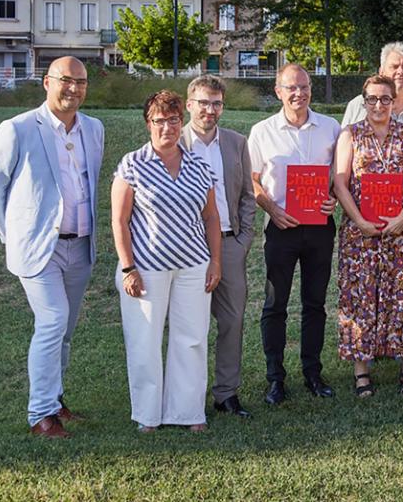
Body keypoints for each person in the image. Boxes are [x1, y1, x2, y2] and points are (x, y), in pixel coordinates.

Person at [0, 57, 104, 438]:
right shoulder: (18, 129)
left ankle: (55, 401)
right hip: (38, 249)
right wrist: (11, 235)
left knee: (66, 330)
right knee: (53, 320)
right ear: (47, 82)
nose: (73, 88)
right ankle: (40, 414)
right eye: (65, 80)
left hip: (81, 245)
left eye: (81, 82)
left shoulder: (95, 129)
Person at [112, 91, 222, 432]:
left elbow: (212, 218)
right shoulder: (132, 164)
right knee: (144, 340)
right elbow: (119, 220)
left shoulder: (198, 166)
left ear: (181, 122)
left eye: (174, 120)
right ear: (149, 123)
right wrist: (128, 267)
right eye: (160, 120)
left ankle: (188, 413)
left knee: (191, 338)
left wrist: (215, 262)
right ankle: (148, 415)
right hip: (146, 268)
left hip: (193, 265)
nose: (167, 127)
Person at [334, 75, 403, 398]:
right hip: (359, 233)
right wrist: (359, 220)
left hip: (402, 231)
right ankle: (361, 369)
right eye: (372, 99)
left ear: (395, 101)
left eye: (385, 99)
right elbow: (340, 182)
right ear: (363, 102)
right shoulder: (350, 135)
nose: (379, 105)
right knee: (360, 296)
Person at [249, 63, 341, 405]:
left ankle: (313, 373)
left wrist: (333, 197)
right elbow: (253, 179)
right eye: (291, 88)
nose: (298, 93)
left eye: (303, 87)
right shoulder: (262, 131)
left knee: (315, 303)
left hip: (319, 227)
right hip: (280, 227)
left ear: (310, 90)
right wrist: (272, 209)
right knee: (275, 304)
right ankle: (276, 378)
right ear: (278, 91)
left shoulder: (331, 128)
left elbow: (340, 175)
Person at [180, 75, 256, 418]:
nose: (210, 110)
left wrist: (242, 242)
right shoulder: (173, 141)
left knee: (232, 321)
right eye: (204, 102)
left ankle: (226, 393)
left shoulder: (236, 142)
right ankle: (187, 395)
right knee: (190, 326)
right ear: (189, 104)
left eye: (217, 104)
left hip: (228, 244)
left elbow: (246, 198)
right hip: (187, 248)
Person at [341, 41, 403, 136]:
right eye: (394, 66)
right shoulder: (357, 106)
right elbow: (343, 144)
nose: (400, 71)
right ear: (381, 72)